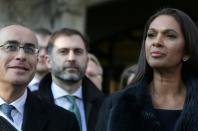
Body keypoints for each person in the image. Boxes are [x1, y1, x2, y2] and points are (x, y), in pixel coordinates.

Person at [96, 8, 198, 131]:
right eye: (151, 35)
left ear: (187, 51)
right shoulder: (116, 103)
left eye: (170, 36)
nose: (157, 42)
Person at [0, 24, 79, 131]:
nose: (21, 56)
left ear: (37, 60)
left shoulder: (64, 121)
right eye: (10, 47)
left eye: (29, 49)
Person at [36, 28, 106, 131]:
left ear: (87, 60)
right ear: (48, 61)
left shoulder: (105, 105)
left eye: (78, 52)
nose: (71, 58)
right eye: (63, 51)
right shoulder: (30, 104)